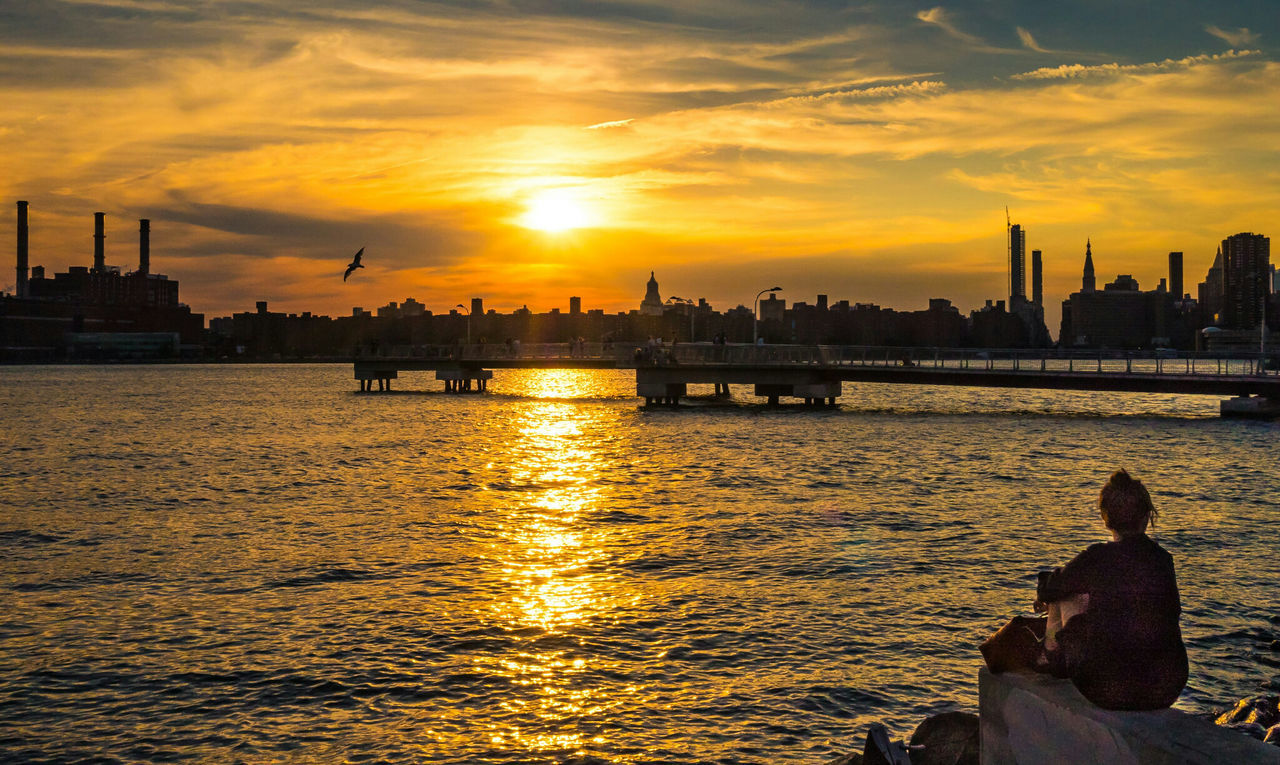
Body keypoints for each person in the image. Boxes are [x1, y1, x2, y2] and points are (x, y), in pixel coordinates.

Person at [1033, 469, 1188, 710]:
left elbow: (1050, 589)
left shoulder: (1097, 558)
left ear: (1106, 519)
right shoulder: (1163, 560)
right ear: (1146, 516)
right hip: (1166, 688)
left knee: (1065, 594)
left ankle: (1048, 657)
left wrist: (1049, 589)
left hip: (1107, 688)